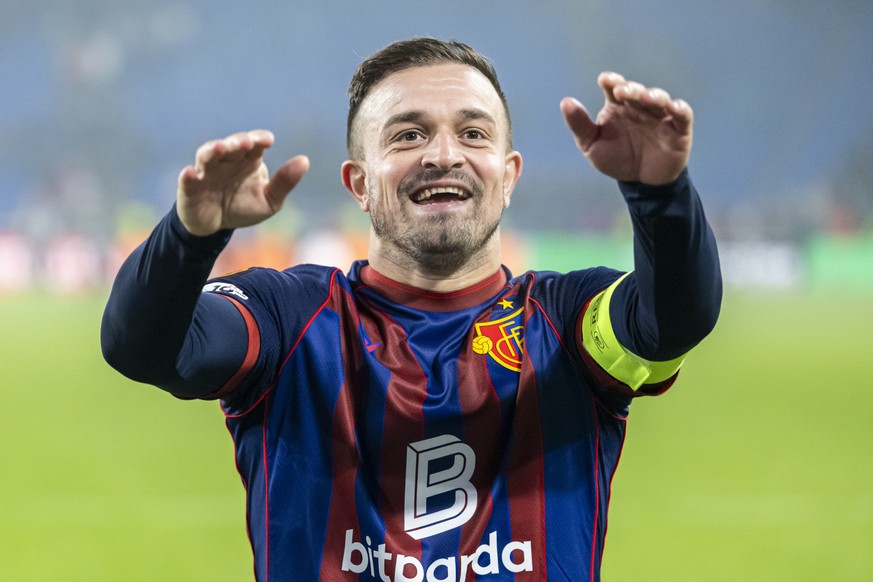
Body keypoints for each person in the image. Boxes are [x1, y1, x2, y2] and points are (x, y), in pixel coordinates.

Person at [102, 37, 721, 582]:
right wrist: (190, 237)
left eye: (473, 133)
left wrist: (658, 195)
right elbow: (143, 347)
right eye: (408, 134)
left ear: (508, 177)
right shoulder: (290, 319)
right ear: (359, 184)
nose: (443, 154)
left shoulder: (565, 321)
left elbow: (672, 320)